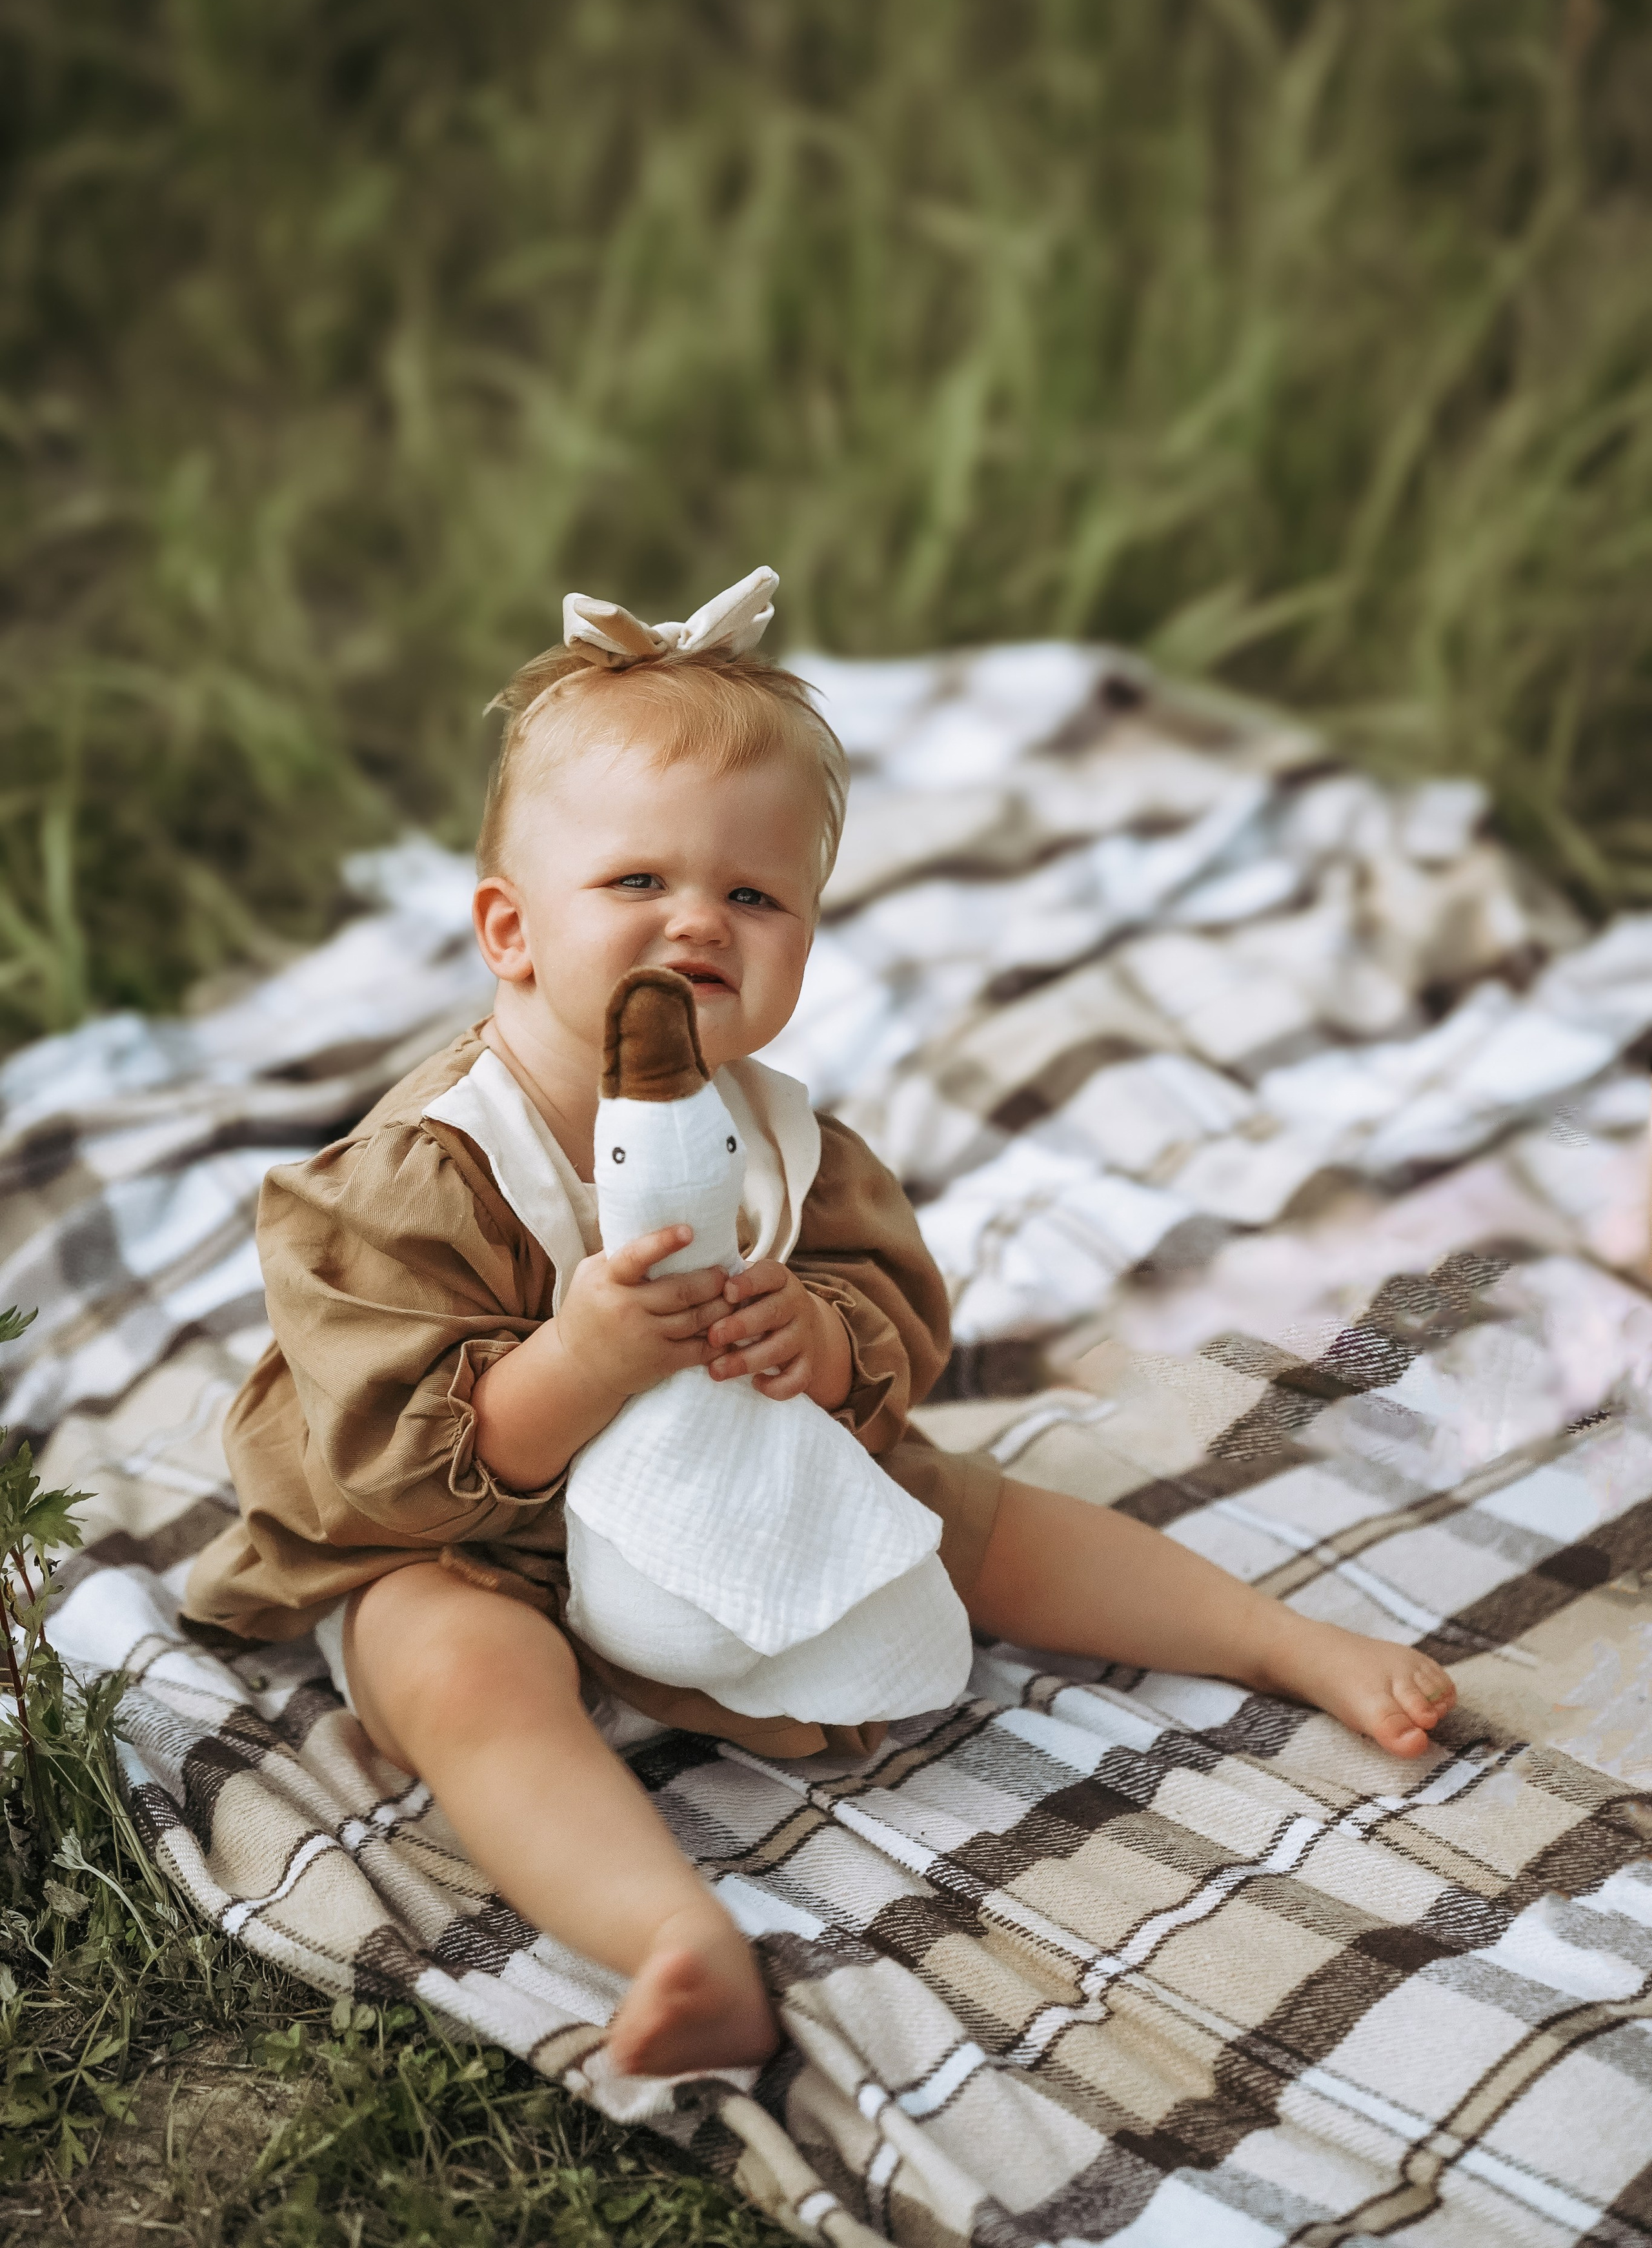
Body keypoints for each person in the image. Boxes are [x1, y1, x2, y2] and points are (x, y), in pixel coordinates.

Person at [184, 570, 1456, 2082]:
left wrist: (826, 1338)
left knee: (961, 1516)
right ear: (509, 932)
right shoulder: (425, 1174)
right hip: (466, 1533)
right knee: (457, 1682)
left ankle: (1276, 1639)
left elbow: (888, 1302)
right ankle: (671, 1936)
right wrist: (583, 1356)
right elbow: (387, 1465)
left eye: (753, 895)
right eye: (637, 883)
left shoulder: (780, 1140)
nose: (697, 923)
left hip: (722, 1475)